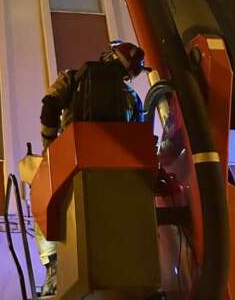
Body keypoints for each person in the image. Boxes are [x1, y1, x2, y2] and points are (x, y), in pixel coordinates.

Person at [36, 41, 146, 297]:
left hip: (72, 158)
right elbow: (139, 137)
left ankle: (53, 267)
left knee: (41, 198)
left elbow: (49, 107)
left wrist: (50, 146)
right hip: (118, 170)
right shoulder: (132, 97)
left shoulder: (73, 78)